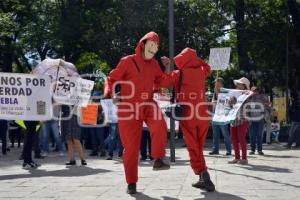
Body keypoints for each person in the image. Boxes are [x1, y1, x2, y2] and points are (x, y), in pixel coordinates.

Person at [104, 31, 171, 194]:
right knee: (131, 150)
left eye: (156, 47)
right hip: (128, 107)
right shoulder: (127, 61)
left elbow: (162, 83)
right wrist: (112, 94)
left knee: (160, 124)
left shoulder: (155, 64)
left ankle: (157, 158)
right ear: (143, 44)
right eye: (151, 45)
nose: (153, 49)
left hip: (148, 103)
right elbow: (111, 79)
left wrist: (167, 67)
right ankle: (131, 183)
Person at [162, 47, 215, 192]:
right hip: (203, 115)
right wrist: (197, 60)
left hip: (188, 114)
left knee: (193, 146)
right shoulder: (201, 72)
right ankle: (202, 177)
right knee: (198, 146)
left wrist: (167, 66)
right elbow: (208, 67)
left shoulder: (179, 73)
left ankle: (203, 173)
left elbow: (165, 83)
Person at [228, 77, 250, 165]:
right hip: (234, 118)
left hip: (243, 118)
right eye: (238, 84)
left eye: (240, 84)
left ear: (244, 86)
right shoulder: (233, 94)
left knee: (241, 138)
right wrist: (230, 100)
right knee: (233, 139)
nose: (238, 85)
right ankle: (237, 157)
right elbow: (229, 104)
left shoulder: (247, 95)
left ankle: (244, 158)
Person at [209, 77, 232, 156]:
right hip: (215, 115)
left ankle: (228, 150)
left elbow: (225, 102)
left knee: (225, 133)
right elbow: (213, 103)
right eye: (215, 83)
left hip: (222, 116)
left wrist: (218, 94)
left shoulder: (225, 92)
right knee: (215, 133)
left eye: (216, 83)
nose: (215, 84)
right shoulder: (214, 92)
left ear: (221, 84)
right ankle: (215, 149)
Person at [247, 87, 269, 155]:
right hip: (251, 120)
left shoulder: (262, 98)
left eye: (256, 91)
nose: (255, 92)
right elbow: (247, 109)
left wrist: (264, 116)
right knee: (252, 136)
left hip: (260, 120)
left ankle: (260, 150)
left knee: (259, 135)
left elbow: (267, 106)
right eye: (253, 91)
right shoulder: (248, 99)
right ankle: (252, 150)